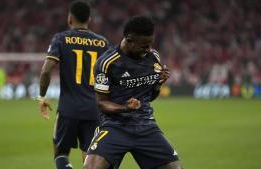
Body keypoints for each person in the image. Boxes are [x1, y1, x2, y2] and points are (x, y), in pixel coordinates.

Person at [83, 15, 183, 169]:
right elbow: (101, 103)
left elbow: (151, 96)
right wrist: (125, 108)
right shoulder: (106, 63)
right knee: (91, 168)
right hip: (114, 126)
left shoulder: (153, 57)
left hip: (145, 125)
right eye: (144, 46)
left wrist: (158, 83)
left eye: (150, 44)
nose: (148, 49)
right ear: (129, 40)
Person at [37, 1, 109, 169]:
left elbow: (46, 71)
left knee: (60, 153)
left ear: (70, 18)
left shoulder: (61, 39)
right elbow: (111, 76)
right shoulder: (103, 43)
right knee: (90, 159)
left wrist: (41, 97)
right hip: (94, 110)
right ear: (89, 19)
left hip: (68, 109)